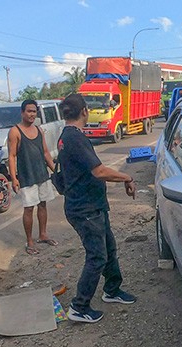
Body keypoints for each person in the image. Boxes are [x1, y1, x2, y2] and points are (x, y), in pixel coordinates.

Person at [57, 94, 137, 324]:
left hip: (92, 205)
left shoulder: (68, 136)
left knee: (109, 248)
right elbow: (99, 171)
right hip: (85, 209)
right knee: (97, 257)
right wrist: (126, 177)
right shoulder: (74, 138)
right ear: (84, 111)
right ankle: (79, 306)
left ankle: (112, 290)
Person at [7, 100, 58, 256]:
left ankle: (43, 234)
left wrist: (55, 171)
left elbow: (45, 153)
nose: (31, 114)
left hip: (42, 174)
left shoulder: (39, 130)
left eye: (34, 112)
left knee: (43, 205)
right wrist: (14, 178)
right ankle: (29, 241)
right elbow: (12, 156)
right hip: (27, 176)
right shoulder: (15, 132)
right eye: (29, 111)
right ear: (22, 112)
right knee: (28, 208)